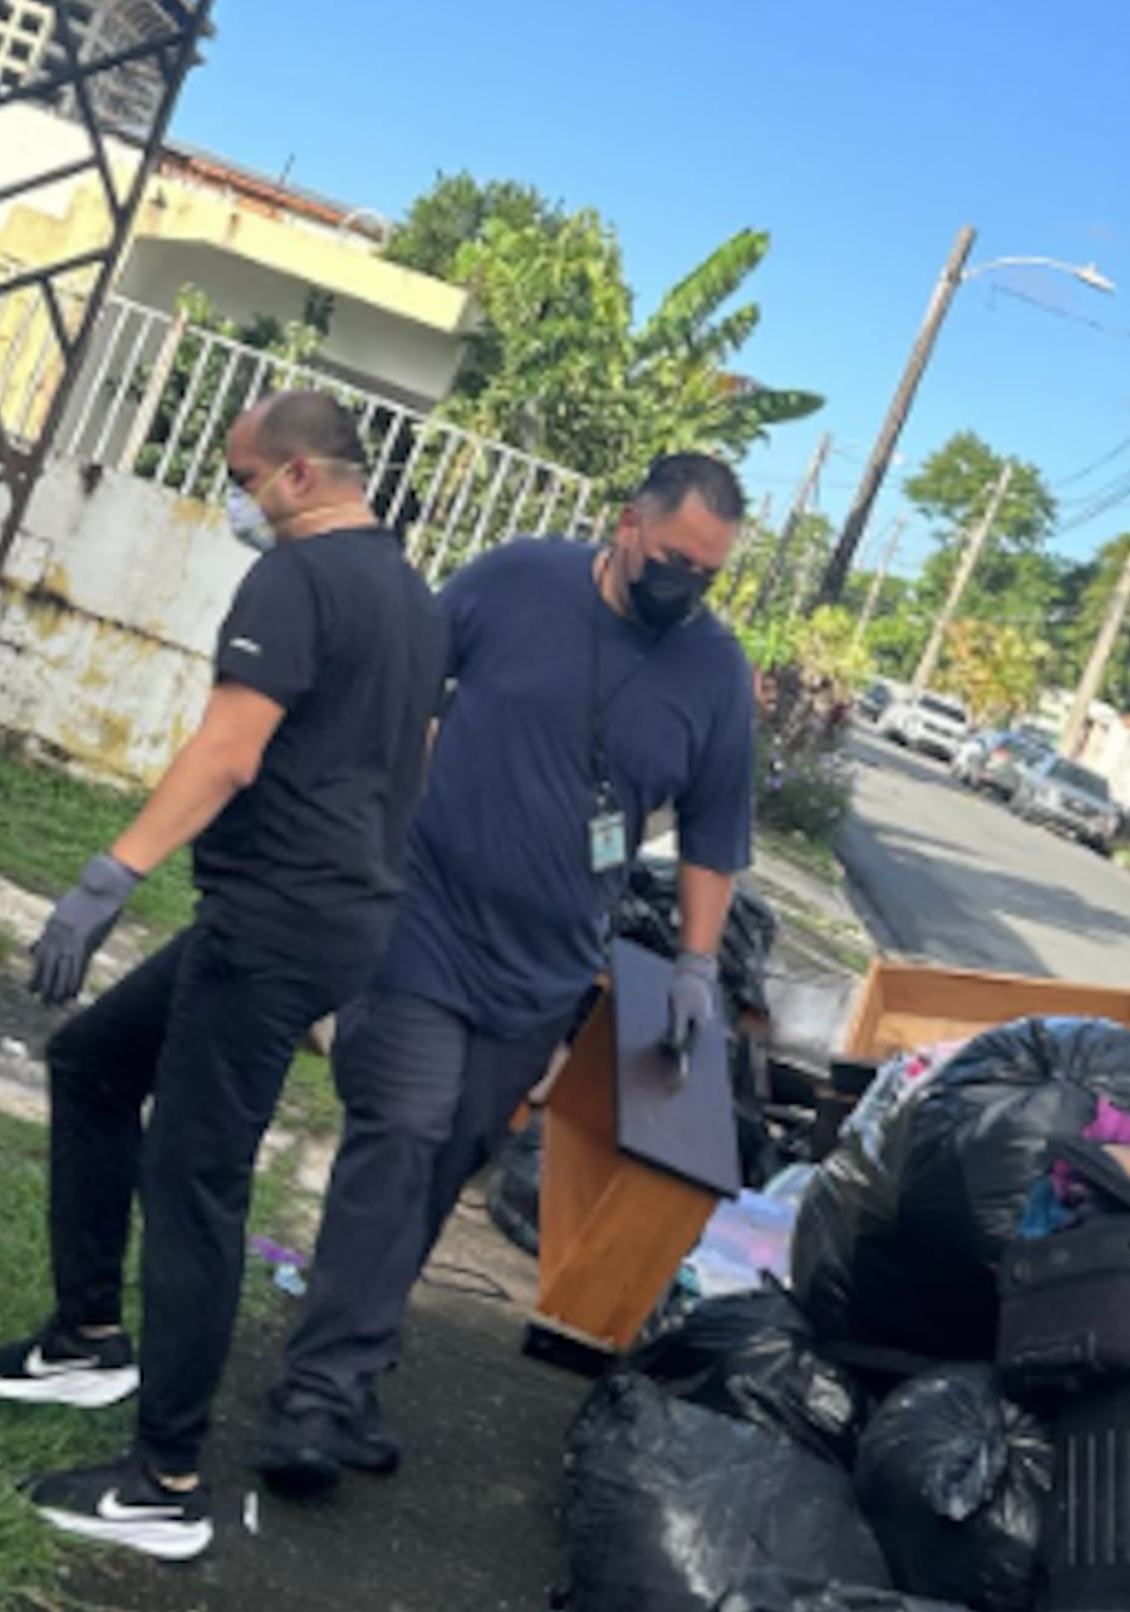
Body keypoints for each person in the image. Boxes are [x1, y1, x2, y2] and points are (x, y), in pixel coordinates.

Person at [0, 389, 447, 1564]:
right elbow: (408, 757)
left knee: (194, 1179)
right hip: (324, 913)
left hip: (276, 920)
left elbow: (228, 748)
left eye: (239, 473)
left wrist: (106, 875)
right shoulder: (412, 594)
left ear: (295, 477)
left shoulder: (296, 577)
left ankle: (167, 1477)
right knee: (91, 1062)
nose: (231, 495)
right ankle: (84, 1335)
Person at [258, 451, 756, 1494]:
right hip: (422, 915)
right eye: (673, 559)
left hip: (542, 968)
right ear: (626, 523)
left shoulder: (714, 675)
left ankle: (353, 1360)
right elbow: (401, 686)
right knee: (399, 1130)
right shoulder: (517, 578)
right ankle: (314, 1394)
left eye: (706, 574)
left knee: (447, 1162)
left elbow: (715, 835)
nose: (684, 586)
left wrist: (697, 968)